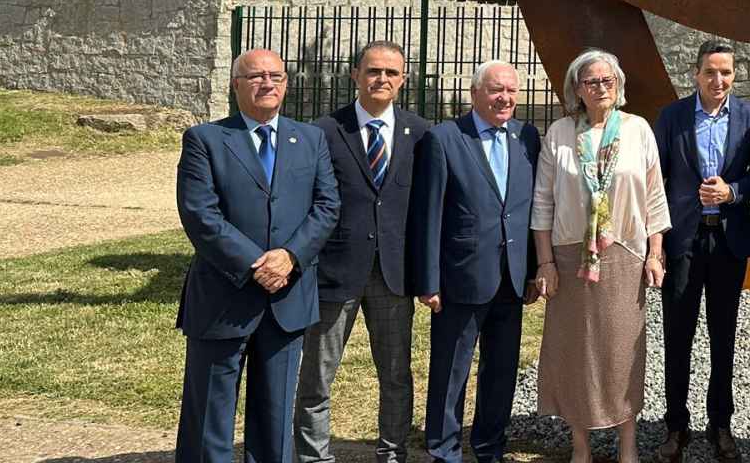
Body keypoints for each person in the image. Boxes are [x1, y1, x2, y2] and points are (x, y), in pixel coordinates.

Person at [175, 48, 340, 463]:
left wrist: (289, 257)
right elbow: (200, 215)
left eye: (276, 76)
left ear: (286, 84)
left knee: (275, 417)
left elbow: (327, 206)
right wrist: (257, 264)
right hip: (223, 299)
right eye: (255, 77)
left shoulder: (310, 139)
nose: (267, 83)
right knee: (209, 419)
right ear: (235, 86)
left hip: (287, 299)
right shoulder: (205, 140)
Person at [295, 40, 432, 463]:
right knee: (318, 375)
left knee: (395, 374)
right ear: (355, 75)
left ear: (403, 80)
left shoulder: (420, 133)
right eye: (374, 71)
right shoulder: (324, 131)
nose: (382, 79)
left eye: (392, 73)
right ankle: (314, 456)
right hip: (336, 273)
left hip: (393, 274)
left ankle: (392, 452)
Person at [533, 48, 671, 463]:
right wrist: (545, 263)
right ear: (577, 88)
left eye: (607, 80)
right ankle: (581, 444)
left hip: (624, 254)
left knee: (621, 352)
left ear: (619, 85)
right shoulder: (559, 133)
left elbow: (654, 197)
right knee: (576, 349)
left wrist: (655, 254)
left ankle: (627, 443)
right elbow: (542, 203)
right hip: (571, 255)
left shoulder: (637, 129)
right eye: (591, 81)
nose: (599, 87)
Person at [409, 60, 540, 463]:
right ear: (474, 93)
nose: (505, 98)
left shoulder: (527, 137)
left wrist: (534, 271)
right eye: (496, 90)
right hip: (461, 277)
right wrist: (428, 281)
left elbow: (532, 210)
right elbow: (428, 213)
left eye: (512, 91)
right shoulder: (444, 138)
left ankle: (489, 447)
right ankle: (444, 449)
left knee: (500, 373)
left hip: (512, 278)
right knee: (451, 372)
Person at [654, 40, 750, 462]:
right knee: (677, 337)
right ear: (696, 74)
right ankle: (675, 426)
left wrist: (733, 191)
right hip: (683, 241)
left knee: (723, 338)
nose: (718, 80)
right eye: (711, 72)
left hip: (727, 242)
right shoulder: (672, 118)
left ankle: (721, 424)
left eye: (726, 73)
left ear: (733, 75)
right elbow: (656, 180)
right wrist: (656, 242)